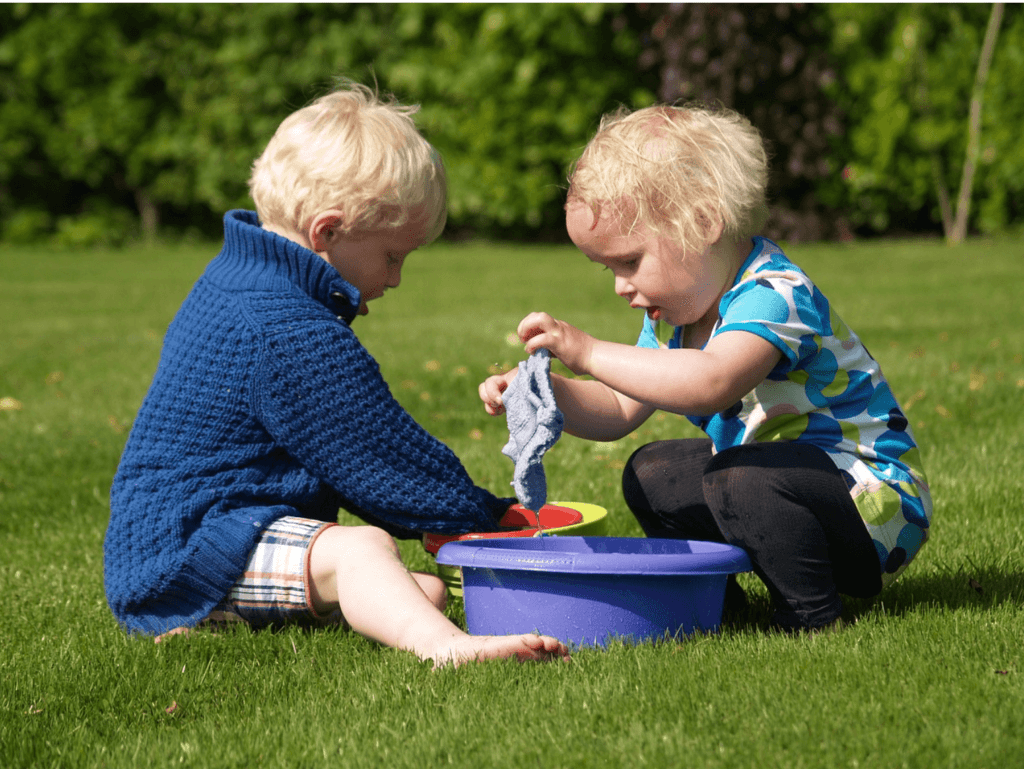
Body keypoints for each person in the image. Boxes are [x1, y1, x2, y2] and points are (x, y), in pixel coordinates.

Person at [104, 81, 568, 667]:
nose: (396, 277)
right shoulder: (285, 328)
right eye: (393, 255)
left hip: (198, 536)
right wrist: (482, 516)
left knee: (414, 590)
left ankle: (216, 625)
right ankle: (447, 649)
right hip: (190, 550)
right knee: (363, 551)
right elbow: (379, 455)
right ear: (326, 232)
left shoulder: (241, 278)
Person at [479, 103, 932, 632]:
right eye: (609, 268)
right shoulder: (675, 318)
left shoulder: (774, 293)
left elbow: (712, 383)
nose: (620, 286)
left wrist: (588, 351)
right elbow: (621, 407)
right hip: (778, 485)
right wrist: (543, 392)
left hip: (871, 505)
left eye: (629, 262)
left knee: (736, 478)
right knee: (653, 473)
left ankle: (810, 616)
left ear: (702, 223)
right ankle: (717, 606)